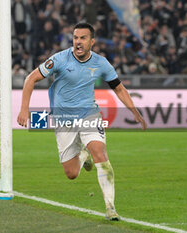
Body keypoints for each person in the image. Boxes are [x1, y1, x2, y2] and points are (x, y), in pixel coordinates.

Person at [17, 23, 147, 221]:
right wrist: (24, 109)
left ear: (92, 41)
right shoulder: (59, 59)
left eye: (82, 38)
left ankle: (110, 207)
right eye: (75, 38)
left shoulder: (101, 63)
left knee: (100, 152)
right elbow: (30, 79)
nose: (78, 42)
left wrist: (134, 112)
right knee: (71, 174)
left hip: (89, 114)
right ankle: (83, 155)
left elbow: (119, 89)